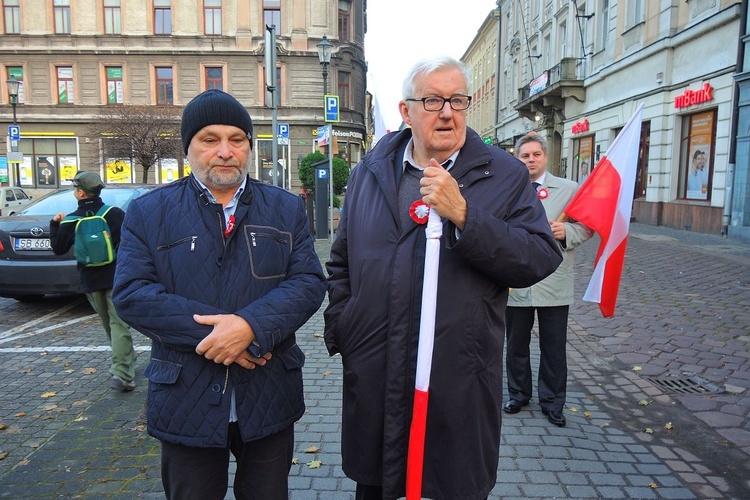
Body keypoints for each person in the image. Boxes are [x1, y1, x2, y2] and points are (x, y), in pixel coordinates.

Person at [324, 57, 563, 500]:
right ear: (406, 110)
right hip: (377, 370)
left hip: (459, 378)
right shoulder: (369, 173)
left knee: (451, 482)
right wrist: (346, 326)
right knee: (379, 483)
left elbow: (539, 257)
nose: (448, 112)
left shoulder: (503, 174)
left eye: (457, 100)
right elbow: (341, 262)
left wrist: (465, 216)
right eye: (433, 100)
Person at [112, 89, 326, 500]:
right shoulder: (149, 211)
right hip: (185, 397)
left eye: (237, 139)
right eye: (210, 139)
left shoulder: (285, 209)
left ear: (249, 146)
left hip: (267, 393)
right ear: (188, 148)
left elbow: (308, 283)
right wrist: (219, 339)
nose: (225, 151)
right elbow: (133, 294)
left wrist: (250, 326)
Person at [503, 134, 593, 428]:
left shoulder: (569, 190)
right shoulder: (507, 190)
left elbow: (587, 227)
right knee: (516, 343)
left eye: (536, 155)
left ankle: (553, 402)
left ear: (546, 157)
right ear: (517, 159)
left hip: (555, 280)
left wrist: (566, 231)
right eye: (525, 155)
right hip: (516, 281)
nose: (530, 160)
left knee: (554, 347)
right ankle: (518, 394)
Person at [50, 171, 136, 392]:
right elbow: (130, 244)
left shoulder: (70, 220)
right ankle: (124, 368)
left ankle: (123, 368)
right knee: (119, 324)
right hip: (117, 277)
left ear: (80, 192)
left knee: (109, 325)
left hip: (90, 279)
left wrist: (54, 225)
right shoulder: (114, 214)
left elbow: (59, 249)